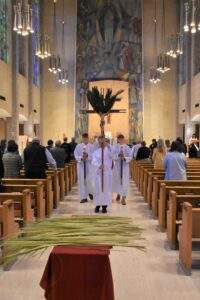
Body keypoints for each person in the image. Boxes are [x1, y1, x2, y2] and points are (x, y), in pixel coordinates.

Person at [92, 136, 113, 213]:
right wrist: (99, 165)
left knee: (105, 190)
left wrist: (108, 145)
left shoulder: (109, 151)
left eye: (103, 142)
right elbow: (93, 161)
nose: (101, 143)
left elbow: (113, 156)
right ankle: (97, 206)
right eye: (100, 142)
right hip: (98, 174)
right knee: (98, 190)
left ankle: (104, 206)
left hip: (106, 174)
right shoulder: (96, 152)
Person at [112, 134, 132, 205]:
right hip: (117, 167)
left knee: (124, 182)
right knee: (118, 181)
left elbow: (130, 156)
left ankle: (123, 197)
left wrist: (124, 158)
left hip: (124, 167)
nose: (120, 140)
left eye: (121, 139)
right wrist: (117, 155)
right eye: (119, 139)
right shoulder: (115, 147)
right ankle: (119, 194)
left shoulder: (127, 147)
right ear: (117, 139)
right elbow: (112, 155)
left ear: (123, 139)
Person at [74, 133, 94, 203]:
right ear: (82, 139)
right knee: (82, 181)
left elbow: (94, 156)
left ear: (88, 138)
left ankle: (90, 192)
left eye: (86, 138)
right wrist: (81, 158)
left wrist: (88, 156)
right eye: (84, 138)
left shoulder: (91, 146)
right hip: (81, 166)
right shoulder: (78, 146)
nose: (85, 140)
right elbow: (76, 155)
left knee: (89, 180)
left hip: (89, 166)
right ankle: (83, 197)